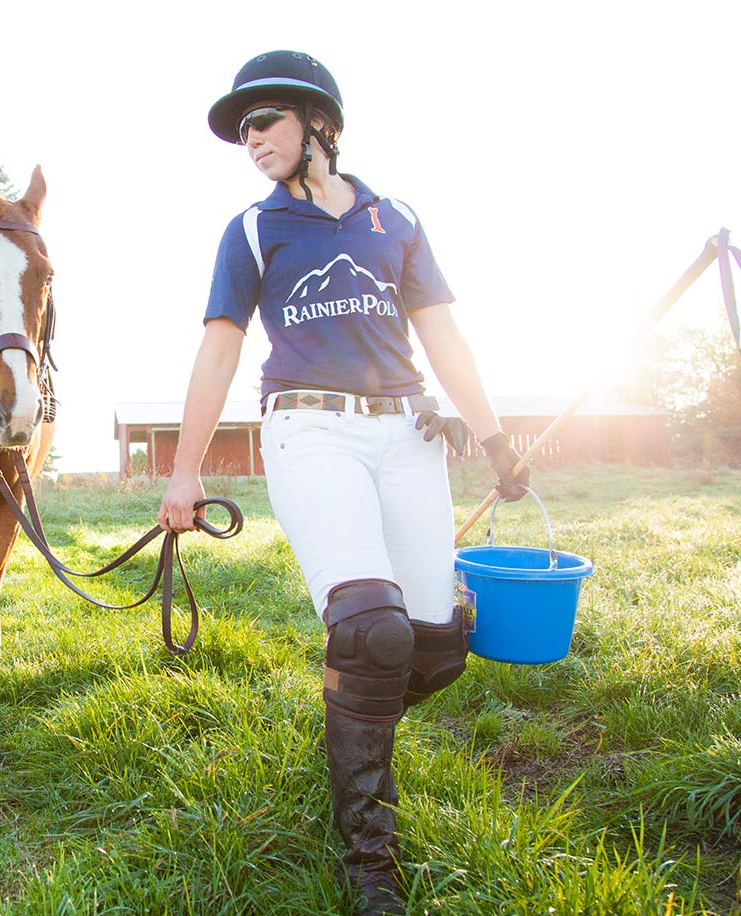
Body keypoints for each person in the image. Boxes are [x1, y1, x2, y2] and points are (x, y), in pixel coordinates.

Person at [157, 50, 530, 916]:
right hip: (307, 426)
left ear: (316, 121)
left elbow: (443, 336)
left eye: (262, 122)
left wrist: (492, 436)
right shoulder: (251, 229)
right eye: (240, 130)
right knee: (372, 636)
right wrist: (183, 471)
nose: (248, 140)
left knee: (431, 650)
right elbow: (219, 347)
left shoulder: (394, 217)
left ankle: (355, 704)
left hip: (407, 432)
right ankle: (370, 859)